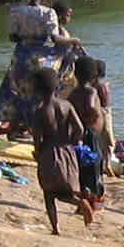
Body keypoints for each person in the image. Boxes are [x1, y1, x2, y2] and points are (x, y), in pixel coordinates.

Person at [0, 0, 76, 131]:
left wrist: (27, 37)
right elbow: (54, 38)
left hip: (20, 56)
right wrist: (73, 40)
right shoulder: (48, 13)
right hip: (38, 58)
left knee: (15, 91)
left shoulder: (16, 11)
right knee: (37, 94)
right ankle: (34, 128)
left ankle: (9, 125)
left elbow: (12, 37)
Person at [31, 66, 92, 234]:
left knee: (49, 193)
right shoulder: (66, 105)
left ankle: (56, 228)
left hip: (49, 153)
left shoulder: (40, 110)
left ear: (37, 88)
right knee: (66, 188)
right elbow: (80, 129)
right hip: (67, 151)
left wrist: (37, 152)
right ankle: (79, 202)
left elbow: (36, 137)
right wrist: (71, 141)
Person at [68, 57, 110, 210]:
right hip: (91, 136)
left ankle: (85, 199)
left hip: (80, 135)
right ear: (93, 75)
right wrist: (90, 119)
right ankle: (94, 202)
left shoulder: (73, 93)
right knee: (94, 168)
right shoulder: (91, 92)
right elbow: (91, 107)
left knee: (83, 170)